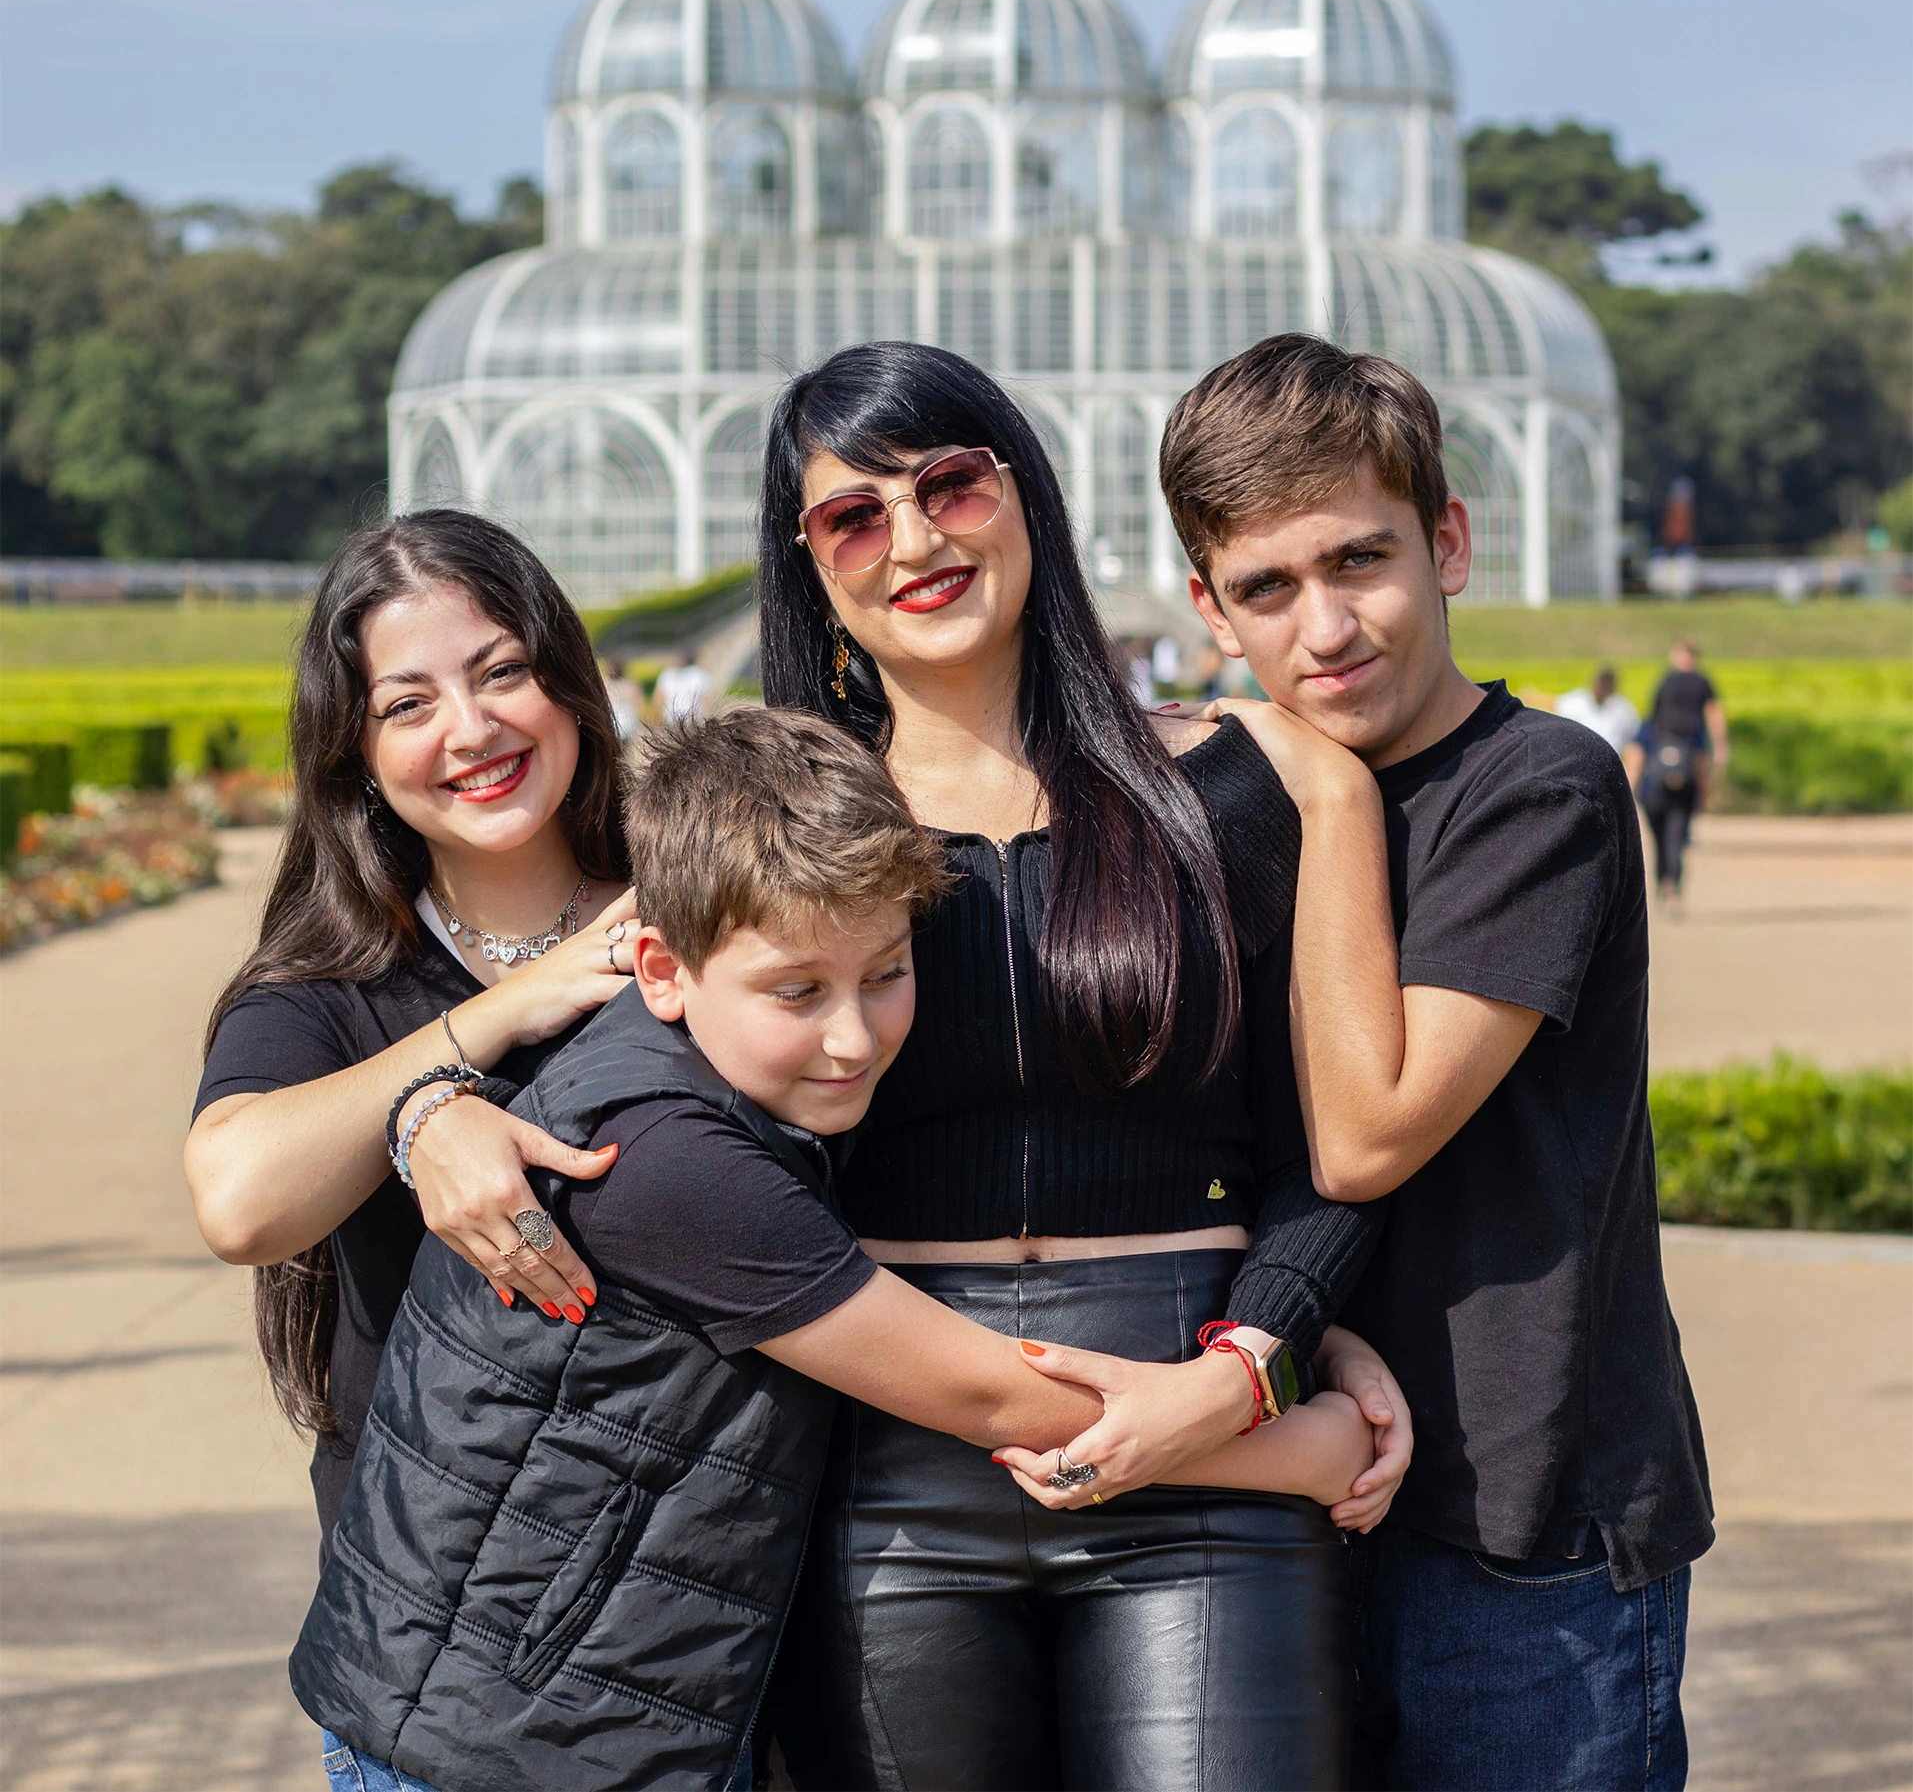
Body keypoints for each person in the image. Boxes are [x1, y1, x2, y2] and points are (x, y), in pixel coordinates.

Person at [288, 709, 1381, 1792]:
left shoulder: (698, 1076)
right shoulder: (668, 1164)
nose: (854, 1035)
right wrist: (1305, 1443)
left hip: (565, 1706)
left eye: (887, 974)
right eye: (797, 990)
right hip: (497, 1734)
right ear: (661, 969)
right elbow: (999, 1400)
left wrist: (1313, 1326)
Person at [755, 341, 1412, 1791]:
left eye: (950, 484)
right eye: (851, 516)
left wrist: (1260, 1356)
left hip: (1206, 1441)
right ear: (808, 569)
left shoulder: (1272, 779)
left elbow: (1345, 1148)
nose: (914, 539)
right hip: (886, 1472)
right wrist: (440, 1113)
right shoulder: (765, 830)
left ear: (1027, 494)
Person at [1159, 333, 1713, 1792]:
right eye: (1269, 588)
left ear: (1447, 543)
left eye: (1361, 560)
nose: (1325, 626)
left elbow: (1366, 1135)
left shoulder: (1541, 790)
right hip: (1293, 1488)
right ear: (1210, 609)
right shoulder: (1224, 804)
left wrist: (1335, 801)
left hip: (1527, 1530)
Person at [185, 510, 647, 1608]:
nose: (471, 727)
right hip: (430, 1629)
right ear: (355, 752)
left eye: (503, 672)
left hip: (690, 1603)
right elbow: (240, 1201)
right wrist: (463, 1052)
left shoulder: (694, 901)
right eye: (408, 704)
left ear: (570, 684)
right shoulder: (331, 978)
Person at [1627, 639, 1730, 907]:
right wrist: (1720, 746)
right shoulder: (1699, 695)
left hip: (1654, 784)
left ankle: (1665, 882)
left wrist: (1629, 787)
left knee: (1662, 836)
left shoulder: (1654, 715)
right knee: (1677, 834)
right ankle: (1672, 883)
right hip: (1687, 774)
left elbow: (1635, 753)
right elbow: (1713, 715)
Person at [1556, 664, 1640, 755]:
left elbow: (1632, 741)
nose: (1604, 688)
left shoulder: (1624, 709)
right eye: (1603, 684)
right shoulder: (1573, 703)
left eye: (1608, 685)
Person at [654, 643, 716, 724]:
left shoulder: (667, 675)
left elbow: (658, 700)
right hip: (694, 721)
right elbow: (706, 701)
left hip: (672, 720)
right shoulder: (700, 674)